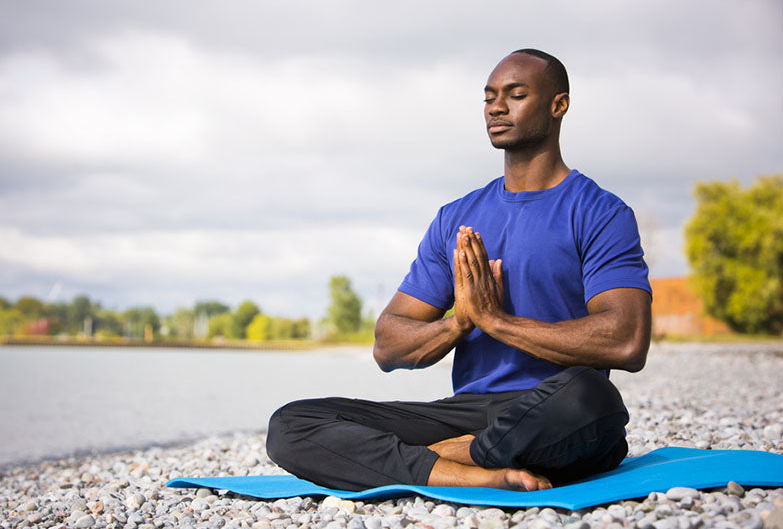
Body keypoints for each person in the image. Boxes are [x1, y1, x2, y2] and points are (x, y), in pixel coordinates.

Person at [266, 48, 652, 492]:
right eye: (488, 97)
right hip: (466, 411)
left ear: (558, 105)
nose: (497, 107)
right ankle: (467, 471)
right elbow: (388, 343)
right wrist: (459, 325)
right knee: (293, 423)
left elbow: (626, 341)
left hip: (553, 408)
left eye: (516, 94)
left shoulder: (599, 212)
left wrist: (498, 322)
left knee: (593, 399)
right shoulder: (456, 216)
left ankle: (443, 459)